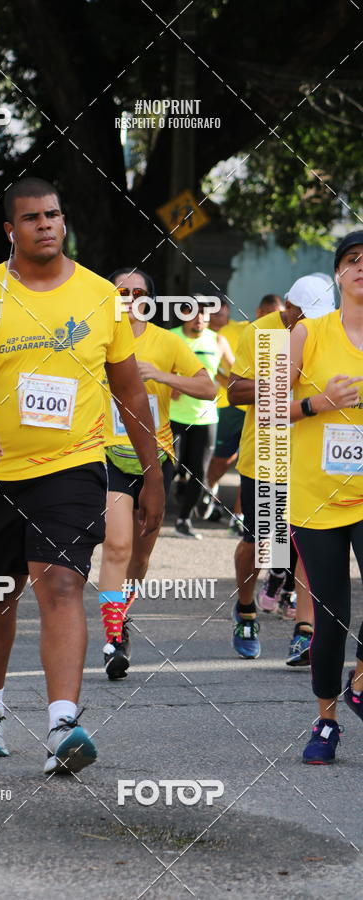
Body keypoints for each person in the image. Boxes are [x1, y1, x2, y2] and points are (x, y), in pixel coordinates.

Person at [0, 177, 164, 774]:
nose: (46, 225)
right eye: (33, 218)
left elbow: (131, 389)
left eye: (54, 215)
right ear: (11, 230)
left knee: (62, 584)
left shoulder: (98, 296)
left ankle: (63, 724)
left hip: (73, 465)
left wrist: (153, 473)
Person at [98, 268, 216, 679]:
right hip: (107, 454)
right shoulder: (94, 336)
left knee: (141, 554)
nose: (130, 297)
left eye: (139, 292)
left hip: (156, 459)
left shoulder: (166, 341)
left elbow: (209, 388)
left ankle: (123, 615)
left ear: (149, 298)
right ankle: (113, 636)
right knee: (116, 544)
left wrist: (158, 374)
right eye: (121, 291)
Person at [287, 234, 363, 763]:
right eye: (352, 261)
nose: (361, 269)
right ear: (337, 275)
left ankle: (361, 675)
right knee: (331, 612)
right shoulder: (307, 332)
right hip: (317, 496)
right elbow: (268, 408)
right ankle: (326, 720)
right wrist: (319, 401)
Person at [227, 275, 329, 661]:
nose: (306, 323)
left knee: (309, 543)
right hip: (268, 452)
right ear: (286, 304)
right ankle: (246, 609)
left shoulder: (329, 331)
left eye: (315, 316)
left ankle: (305, 631)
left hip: (312, 452)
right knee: (263, 543)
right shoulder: (260, 332)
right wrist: (282, 380)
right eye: (300, 314)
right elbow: (234, 392)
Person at [169, 300, 233, 539]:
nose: (199, 319)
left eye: (204, 315)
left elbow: (233, 370)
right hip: (172, 414)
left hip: (205, 416)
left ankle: (184, 520)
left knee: (200, 471)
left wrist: (232, 383)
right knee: (169, 468)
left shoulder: (217, 341)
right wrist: (171, 379)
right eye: (194, 314)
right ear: (183, 314)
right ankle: (149, 513)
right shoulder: (171, 338)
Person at [200, 298, 248, 534]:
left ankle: (238, 516)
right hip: (214, 406)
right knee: (220, 459)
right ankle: (210, 492)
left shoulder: (243, 329)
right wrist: (221, 379)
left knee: (245, 460)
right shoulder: (201, 334)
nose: (217, 316)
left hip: (243, 405)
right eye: (212, 313)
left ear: (228, 309)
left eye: (221, 311)